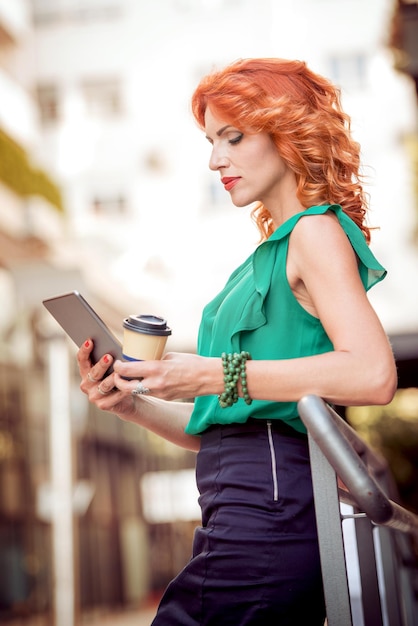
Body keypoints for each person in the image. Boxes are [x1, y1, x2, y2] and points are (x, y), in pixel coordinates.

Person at [78, 58, 397, 625]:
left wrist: (209, 373)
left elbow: (373, 374)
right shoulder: (272, 251)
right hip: (241, 511)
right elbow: (231, 434)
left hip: (269, 517)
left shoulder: (314, 232)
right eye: (210, 140)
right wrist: (133, 404)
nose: (214, 159)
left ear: (288, 133)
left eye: (233, 136)